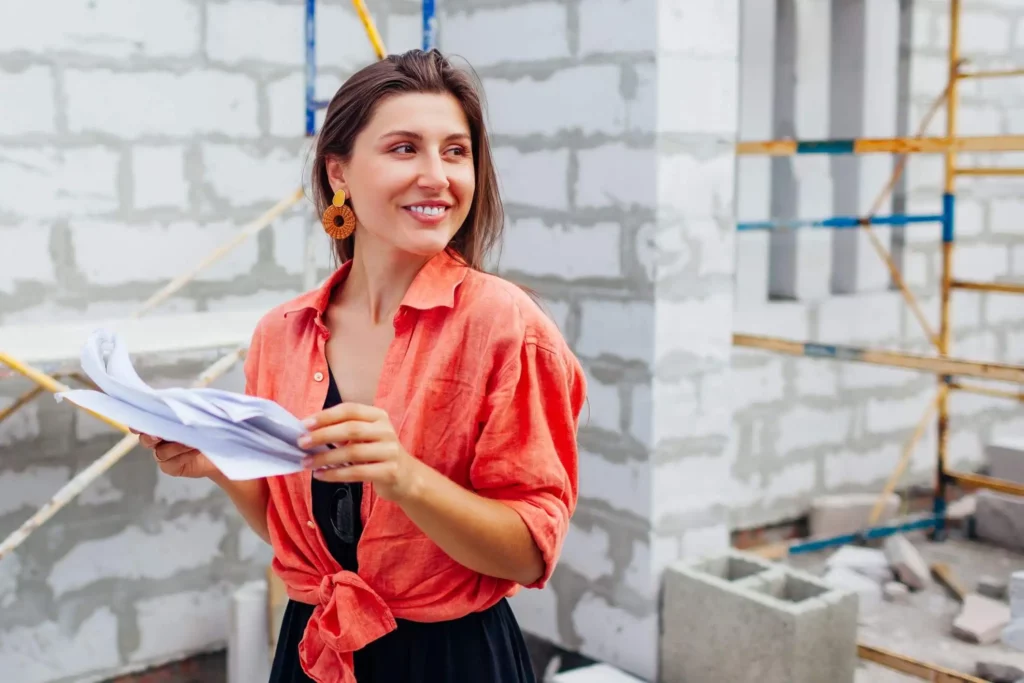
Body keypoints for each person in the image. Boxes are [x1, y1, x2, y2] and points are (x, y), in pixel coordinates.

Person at [136, 49, 587, 683]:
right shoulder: (281, 336)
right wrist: (221, 466)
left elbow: (528, 554)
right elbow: (303, 536)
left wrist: (406, 477)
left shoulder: (506, 328)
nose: (438, 176)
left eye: (456, 152)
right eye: (405, 148)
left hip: (452, 661)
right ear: (339, 172)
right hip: (314, 647)